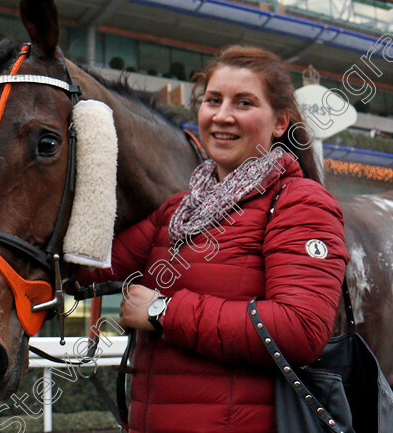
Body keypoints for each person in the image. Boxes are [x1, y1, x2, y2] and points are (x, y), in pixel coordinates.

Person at [79, 46, 348, 432]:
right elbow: (84, 267)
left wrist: (163, 312)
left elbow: (301, 329)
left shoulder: (301, 204)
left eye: (244, 103)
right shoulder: (176, 210)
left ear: (279, 122)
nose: (222, 116)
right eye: (213, 100)